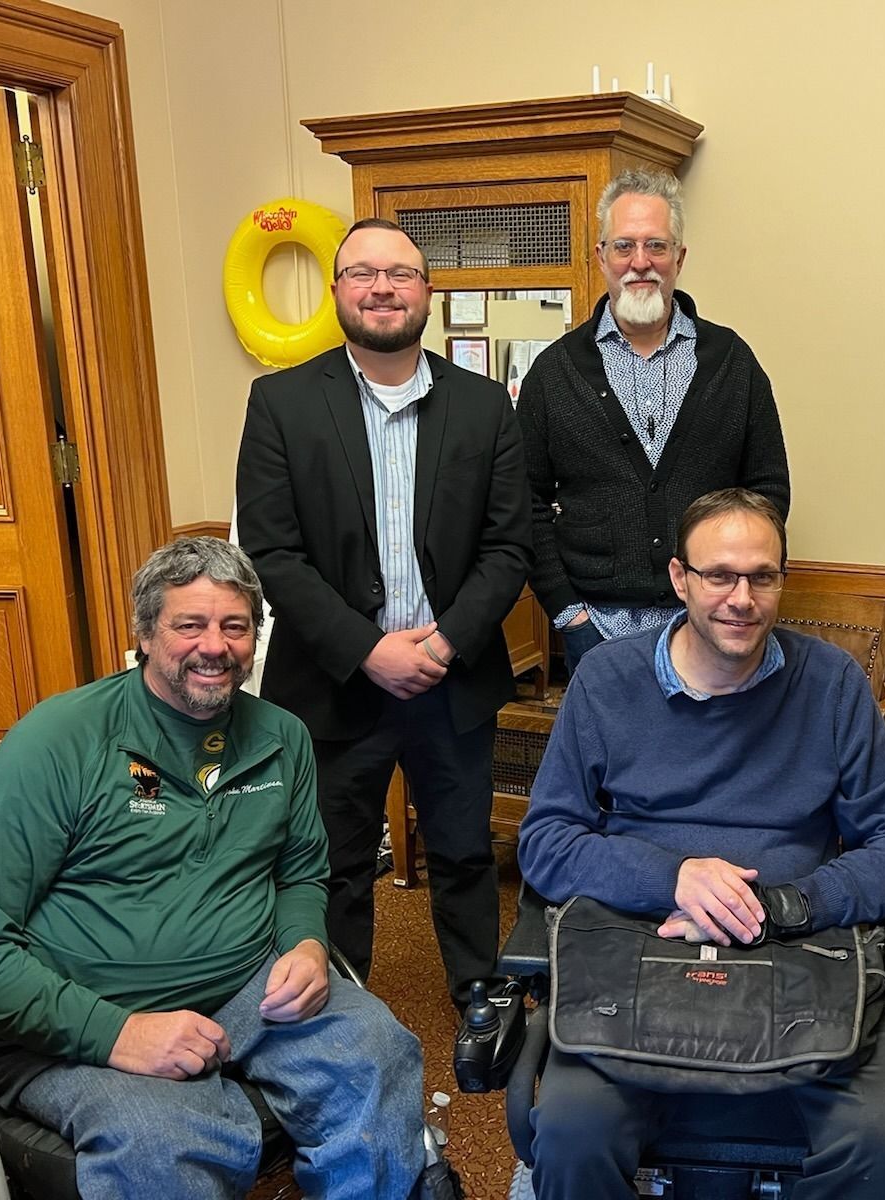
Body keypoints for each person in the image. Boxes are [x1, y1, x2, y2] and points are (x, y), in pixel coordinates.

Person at [0, 538, 447, 1200]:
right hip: (80, 1015)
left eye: (235, 626)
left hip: (245, 987)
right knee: (165, 1137)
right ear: (144, 632)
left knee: (377, 1051)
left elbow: (300, 872)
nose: (215, 646)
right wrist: (119, 1033)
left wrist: (309, 943)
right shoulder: (54, 745)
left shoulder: (282, 738)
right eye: (189, 625)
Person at [517, 489, 885, 1199]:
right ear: (680, 579)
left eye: (761, 577)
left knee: (883, 1139)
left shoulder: (832, 683)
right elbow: (547, 842)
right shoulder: (607, 680)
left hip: (795, 951)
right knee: (570, 1129)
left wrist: (784, 904)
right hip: (640, 944)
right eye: (719, 576)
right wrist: (672, 877)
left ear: (782, 579)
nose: (741, 598)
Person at [236, 218, 531, 1008]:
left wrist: (446, 642)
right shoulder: (281, 404)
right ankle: (342, 999)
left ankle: (476, 987)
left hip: (451, 675)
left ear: (426, 292)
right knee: (331, 860)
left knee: (466, 850)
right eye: (362, 273)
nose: (382, 287)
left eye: (400, 273)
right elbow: (272, 553)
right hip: (333, 683)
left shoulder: (484, 407)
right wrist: (370, 650)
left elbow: (509, 547)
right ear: (337, 292)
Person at [517, 169, 789, 673]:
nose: (640, 263)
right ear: (601, 257)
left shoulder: (732, 363)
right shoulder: (554, 374)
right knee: (611, 755)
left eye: (656, 246)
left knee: (713, 752)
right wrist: (566, 610)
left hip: (714, 624)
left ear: (679, 258)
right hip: (596, 632)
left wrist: (733, 592)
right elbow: (524, 501)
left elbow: (767, 488)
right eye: (624, 246)